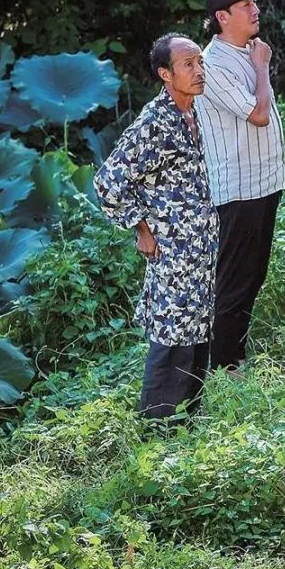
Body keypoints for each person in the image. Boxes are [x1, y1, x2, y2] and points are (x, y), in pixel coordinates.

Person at [95, 33, 217, 418]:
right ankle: (157, 429)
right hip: (173, 251)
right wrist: (141, 229)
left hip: (200, 249)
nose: (199, 71)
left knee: (197, 333)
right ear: (166, 74)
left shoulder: (192, 113)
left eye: (200, 62)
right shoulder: (154, 123)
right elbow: (108, 182)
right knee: (172, 336)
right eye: (188, 65)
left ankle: (186, 421)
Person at [196, 0, 285, 373]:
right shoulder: (212, 64)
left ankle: (234, 356)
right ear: (222, 17)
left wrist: (258, 63)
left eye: (254, 3)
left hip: (265, 183)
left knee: (254, 275)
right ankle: (223, 366)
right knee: (234, 280)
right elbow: (259, 114)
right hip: (238, 190)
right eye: (246, 5)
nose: (256, 10)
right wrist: (262, 67)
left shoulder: (247, 51)